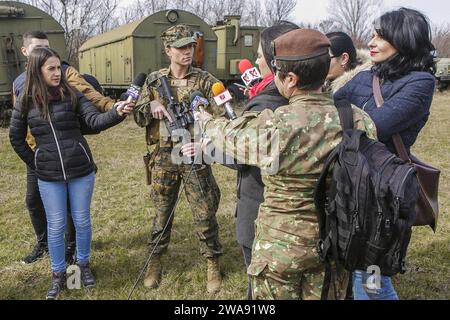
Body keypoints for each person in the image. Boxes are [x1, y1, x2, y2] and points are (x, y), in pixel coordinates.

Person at [197, 29, 377, 300]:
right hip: (336, 243)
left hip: (280, 250)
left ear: (290, 79)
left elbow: (226, 135)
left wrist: (205, 120)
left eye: (277, 72)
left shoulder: (273, 125)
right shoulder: (358, 120)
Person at [9, 47, 133, 300]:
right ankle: (58, 275)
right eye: (51, 69)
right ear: (37, 70)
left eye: (59, 68)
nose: (58, 73)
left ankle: (82, 266)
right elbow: (15, 137)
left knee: (81, 220)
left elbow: (95, 121)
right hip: (48, 176)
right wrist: (36, 162)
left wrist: (116, 113)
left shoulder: (72, 93)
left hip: (81, 170)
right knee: (56, 226)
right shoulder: (25, 100)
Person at [334, 7, 436, 300]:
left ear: (403, 40)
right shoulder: (370, 74)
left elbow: (376, 125)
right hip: (352, 180)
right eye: (373, 34)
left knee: (372, 280)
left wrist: (344, 115)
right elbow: (330, 105)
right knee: (354, 265)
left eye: (381, 36)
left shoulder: (421, 82)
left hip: (383, 193)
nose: (371, 42)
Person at [12, 31, 117, 265]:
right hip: (40, 155)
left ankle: (72, 250)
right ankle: (45, 245)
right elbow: (17, 132)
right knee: (34, 202)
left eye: (47, 47)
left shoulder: (67, 77)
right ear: (26, 53)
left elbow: (89, 96)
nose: (45, 52)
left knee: (74, 212)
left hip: (70, 156)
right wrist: (36, 159)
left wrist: (114, 107)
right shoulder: (20, 84)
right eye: (38, 48)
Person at [133, 24, 223, 294]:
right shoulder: (153, 80)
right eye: (181, 47)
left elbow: (222, 119)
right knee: (161, 213)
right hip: (163, 157)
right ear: (167, 50)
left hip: (196, 154)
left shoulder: (206, 81)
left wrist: (204, 143)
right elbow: (137, 115)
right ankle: (155, 261)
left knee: (205, 211)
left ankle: (212, 262)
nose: (188, 51)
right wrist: (151, 105)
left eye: (190, 46)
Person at [224, 21, 298, 300]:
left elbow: (242, 159)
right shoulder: (306, 96)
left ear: (275, 60)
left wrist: (214, 143)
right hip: (298, 219)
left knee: (260, 287)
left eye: (259, 55)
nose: (255, 61)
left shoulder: (266, 104)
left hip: (261, 208)